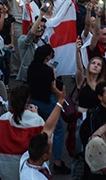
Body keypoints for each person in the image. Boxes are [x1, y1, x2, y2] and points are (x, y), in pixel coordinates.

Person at [0, 83, 65, 180]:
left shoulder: (1, 120)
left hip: (8, 172)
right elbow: (47, 131)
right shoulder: (37, 122)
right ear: (27, 99)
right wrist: (60, 101)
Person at [25, 44, 68, 173]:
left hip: (34, 100)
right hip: (47, 102)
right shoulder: (47, 71)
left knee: (39, 127)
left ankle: (37, 156)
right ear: (47, 56)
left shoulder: (31, 67)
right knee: (58, 128)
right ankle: (57, 161)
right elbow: (53, 88)